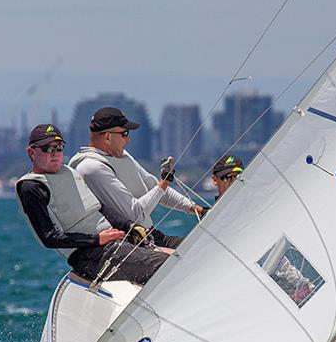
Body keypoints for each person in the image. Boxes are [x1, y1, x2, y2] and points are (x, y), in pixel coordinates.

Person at [15, 123, 169, 285]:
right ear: (31, 152)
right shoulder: (31, 187)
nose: (55, 153)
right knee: (165, 265)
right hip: (90, 255)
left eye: (59, 147)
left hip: (113, 242)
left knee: (178, 257)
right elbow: (50, 238)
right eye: (47, 148)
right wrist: (97, 239)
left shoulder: (69, 172)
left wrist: (131, 226)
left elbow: (99, 207)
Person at [69, 107, 205, 248]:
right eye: (124, 133)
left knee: (204, 248)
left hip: (152, 235)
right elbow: (135, 215)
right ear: (108, 137)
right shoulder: (91, 168)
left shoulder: (121, 155)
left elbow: (155, 188)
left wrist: (198, 210)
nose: (128, 139)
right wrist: (164, 184)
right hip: (130, 245)